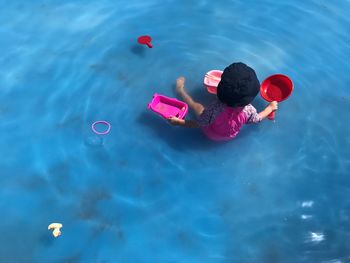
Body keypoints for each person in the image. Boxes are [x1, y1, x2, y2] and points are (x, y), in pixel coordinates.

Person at [167, 62, 278, 141]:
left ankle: (181, 91)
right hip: (229, 137)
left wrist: (179, 122)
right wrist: (270, 108)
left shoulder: (214, 109)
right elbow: (257, 118)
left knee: (198, 107)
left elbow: (199, 124)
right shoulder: (249, 110)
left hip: (210, 133)